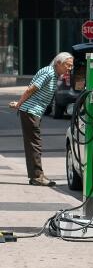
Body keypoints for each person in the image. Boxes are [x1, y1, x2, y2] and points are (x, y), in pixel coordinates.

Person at [9, 52, 73, 186]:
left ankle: (37, 175)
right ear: (58, 63)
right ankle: (37, 176)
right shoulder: (49, 73)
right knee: (34, 144)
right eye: (68, 65)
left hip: (34, 111)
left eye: (71, 66)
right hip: (30, 111)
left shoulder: (54, 74)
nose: (69, 69)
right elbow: (31, 89)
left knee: (33, 144)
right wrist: (19, 104)